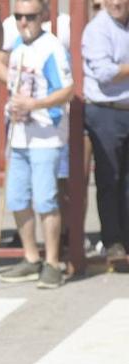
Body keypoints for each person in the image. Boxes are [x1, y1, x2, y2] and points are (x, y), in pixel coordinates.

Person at [0, 0, 72, 288]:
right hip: (19, 134)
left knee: (45, 199)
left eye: (30, 17)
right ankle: (31, 256)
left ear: (44, 16)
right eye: (18, 17)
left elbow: (67, 89)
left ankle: (52, 262)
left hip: (45, 135)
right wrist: (15, 105)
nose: (23, 22)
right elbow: (10, 79)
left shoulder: (52, 47)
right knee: (16, 198)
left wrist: (34, 103)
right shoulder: (17, 47)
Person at [82, 0, 129, 263]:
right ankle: (113, 240)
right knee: (110, 179)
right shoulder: (97, 29)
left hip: (125, 107)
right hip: (105, 111)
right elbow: (104, 73)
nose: (114, 3)